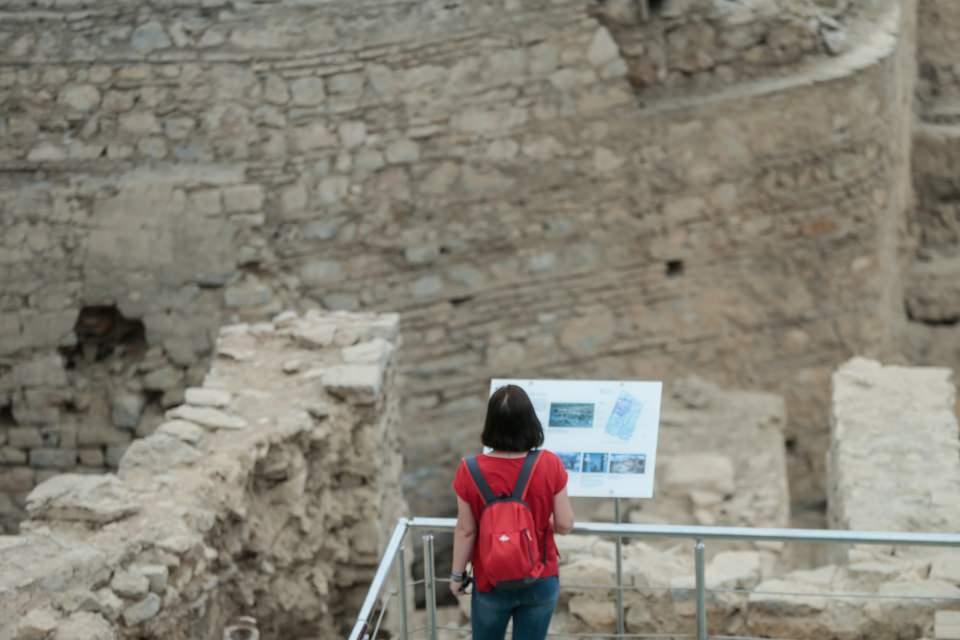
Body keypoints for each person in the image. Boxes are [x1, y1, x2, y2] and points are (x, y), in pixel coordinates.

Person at [450, 384, 575, 640]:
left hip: (491, 579)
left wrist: (457, 575)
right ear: (530, 422)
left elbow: (466, 530)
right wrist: (538, 522)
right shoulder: (549, 464)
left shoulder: (469, 470)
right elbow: (564, 524)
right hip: (540, 576)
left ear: (491, 424)